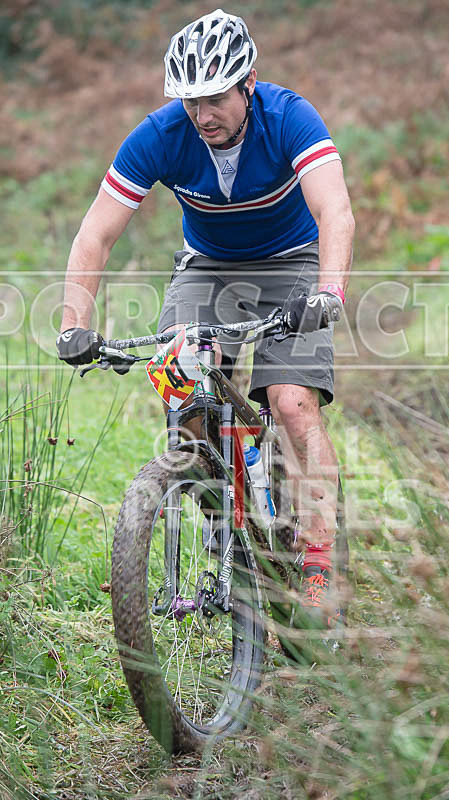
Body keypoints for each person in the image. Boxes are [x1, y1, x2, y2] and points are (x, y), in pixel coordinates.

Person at [55, 9, 355, 625]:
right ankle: (224, 517)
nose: (202, 115)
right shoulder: (161, 134)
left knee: (293, 404)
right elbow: (95, 234)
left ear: (248, 84)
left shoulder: (290, 117)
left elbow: (335, 212)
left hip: (293, 263)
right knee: (182, 392)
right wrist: (72, 324)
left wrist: (329, 291)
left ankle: (320, 553)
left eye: (215, 98)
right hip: (208, 267)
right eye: (190, 101)